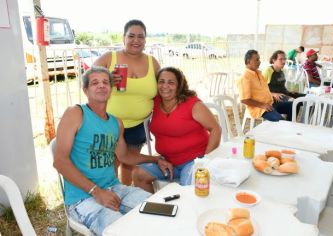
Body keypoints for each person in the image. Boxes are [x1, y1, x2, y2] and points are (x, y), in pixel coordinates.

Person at [53, 66, 173, 235]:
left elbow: (124, 156)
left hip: (114, 189)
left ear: (111, 89)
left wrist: (155, 159)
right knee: (122, 231)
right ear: (85, 90)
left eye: (105, 82)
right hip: (82, 197)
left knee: (162, 211)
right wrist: (96, 191)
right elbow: (60, 162)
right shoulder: (76, 113)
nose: (101, 86)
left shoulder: (116, 123)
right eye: (95, 83)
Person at [132, 67, 221, 193]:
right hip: (166, 162)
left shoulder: (193, 104)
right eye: (161, 82)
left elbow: (216, 129)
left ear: (179, 86)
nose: (165, 86)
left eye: (171, 82)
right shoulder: (154, 102)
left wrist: (204, 162)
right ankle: (152, 209)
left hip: (194, 161)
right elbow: (134, 96)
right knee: (138, 174)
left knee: (188, 191)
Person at [94, 19, 160, 185]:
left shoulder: (152, 62)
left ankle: (124, 193)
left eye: (140, 36)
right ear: (123, 38)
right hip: (109, 124)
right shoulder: (110, 58)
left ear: (145, 40)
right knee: (110, 164)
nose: (136, 40)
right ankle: (109, 193)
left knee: (129, 163)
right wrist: (107, 80)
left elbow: (164, 88)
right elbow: (87, 81)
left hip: (138, 125)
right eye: (131, 36)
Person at [238, 49, 293, 122]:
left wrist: (273, 96)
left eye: (259, 59)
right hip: (259, 109)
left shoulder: (258, 73)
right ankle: (283, 128)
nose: (259, 62)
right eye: (257, 60)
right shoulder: (245, 77)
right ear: (248, 61)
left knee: (293, 106)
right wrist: (262, 105)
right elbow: (244, 100)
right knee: (281, 121)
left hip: (270, 104)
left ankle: (288, 127)